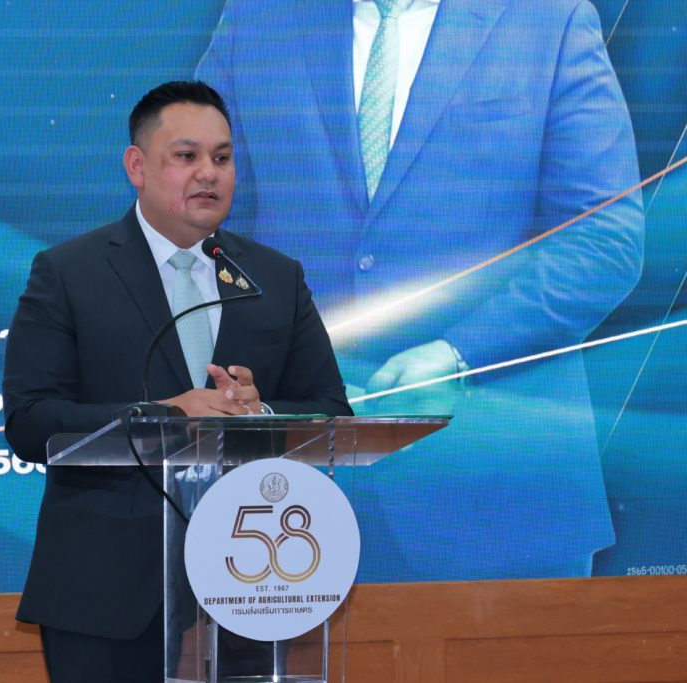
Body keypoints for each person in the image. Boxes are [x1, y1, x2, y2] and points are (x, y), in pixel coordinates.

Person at [196, 0, 645, 580]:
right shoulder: (259, 21)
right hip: (286, 504)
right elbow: (194, 228)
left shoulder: (549, 20)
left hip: (497, 488)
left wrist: (461, 353)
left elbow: (604, 242)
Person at [4, 80, 351, 682]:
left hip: (252, 580)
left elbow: (332, 413)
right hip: (108, 592)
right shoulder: (70, 272)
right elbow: (31, 422)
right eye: (186, 156)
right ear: (137, 166)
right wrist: (166, 414)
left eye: (222, 157)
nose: (208, 174)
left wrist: (260, 413)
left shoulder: (274, 277)